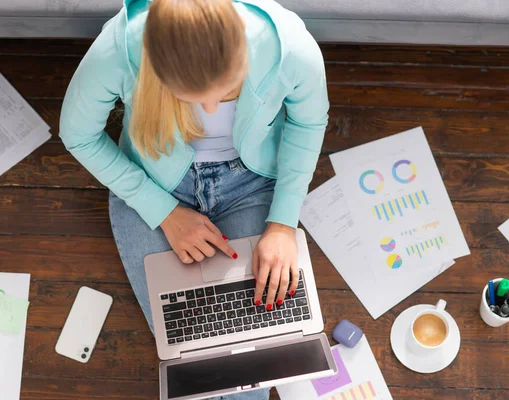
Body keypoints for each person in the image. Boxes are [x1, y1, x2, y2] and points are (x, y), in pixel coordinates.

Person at [60, 0, 328, 398]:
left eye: (229, 92)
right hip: (153, 185)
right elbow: (78, 135)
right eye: (189, 97)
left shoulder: (289, 45)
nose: (210, 110)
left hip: (252, 182)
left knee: (251, 355)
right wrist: (163, 211)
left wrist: (283, 223)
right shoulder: (120, 49)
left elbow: (308, 121)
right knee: (190, 350)